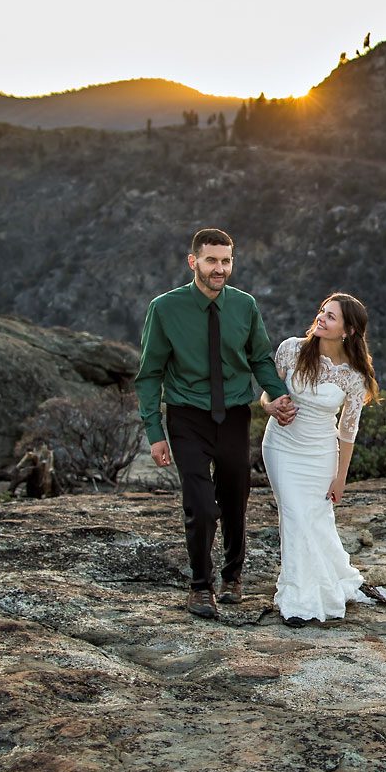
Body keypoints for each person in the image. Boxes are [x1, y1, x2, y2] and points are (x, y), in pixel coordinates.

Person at [135, 228, 296, 619]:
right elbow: (149, 374)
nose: (219, 268)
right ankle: (200, 586)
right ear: (194, 262)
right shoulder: (165, 308)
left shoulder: (244, 306)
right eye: (211, 260)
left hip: (235, 416)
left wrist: (275, 395)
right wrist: (155, 434)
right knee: (202, 505)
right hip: (187, 416)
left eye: (226, 261)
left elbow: (260, 357)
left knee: (235, 499)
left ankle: (233, 576)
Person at [259, 292, 382, 627]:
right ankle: (297, 598)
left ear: (349, 331)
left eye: (331, 317)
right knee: (295, 514)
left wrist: (341, 476)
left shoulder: (354, 376)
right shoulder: (292, 349)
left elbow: (348, 430)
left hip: (321, 452)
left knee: (315, 517)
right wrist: (269, 407)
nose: (321, 319)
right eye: (322, 312)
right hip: (281, 445)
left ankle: (334, 579)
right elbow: (269, 391)